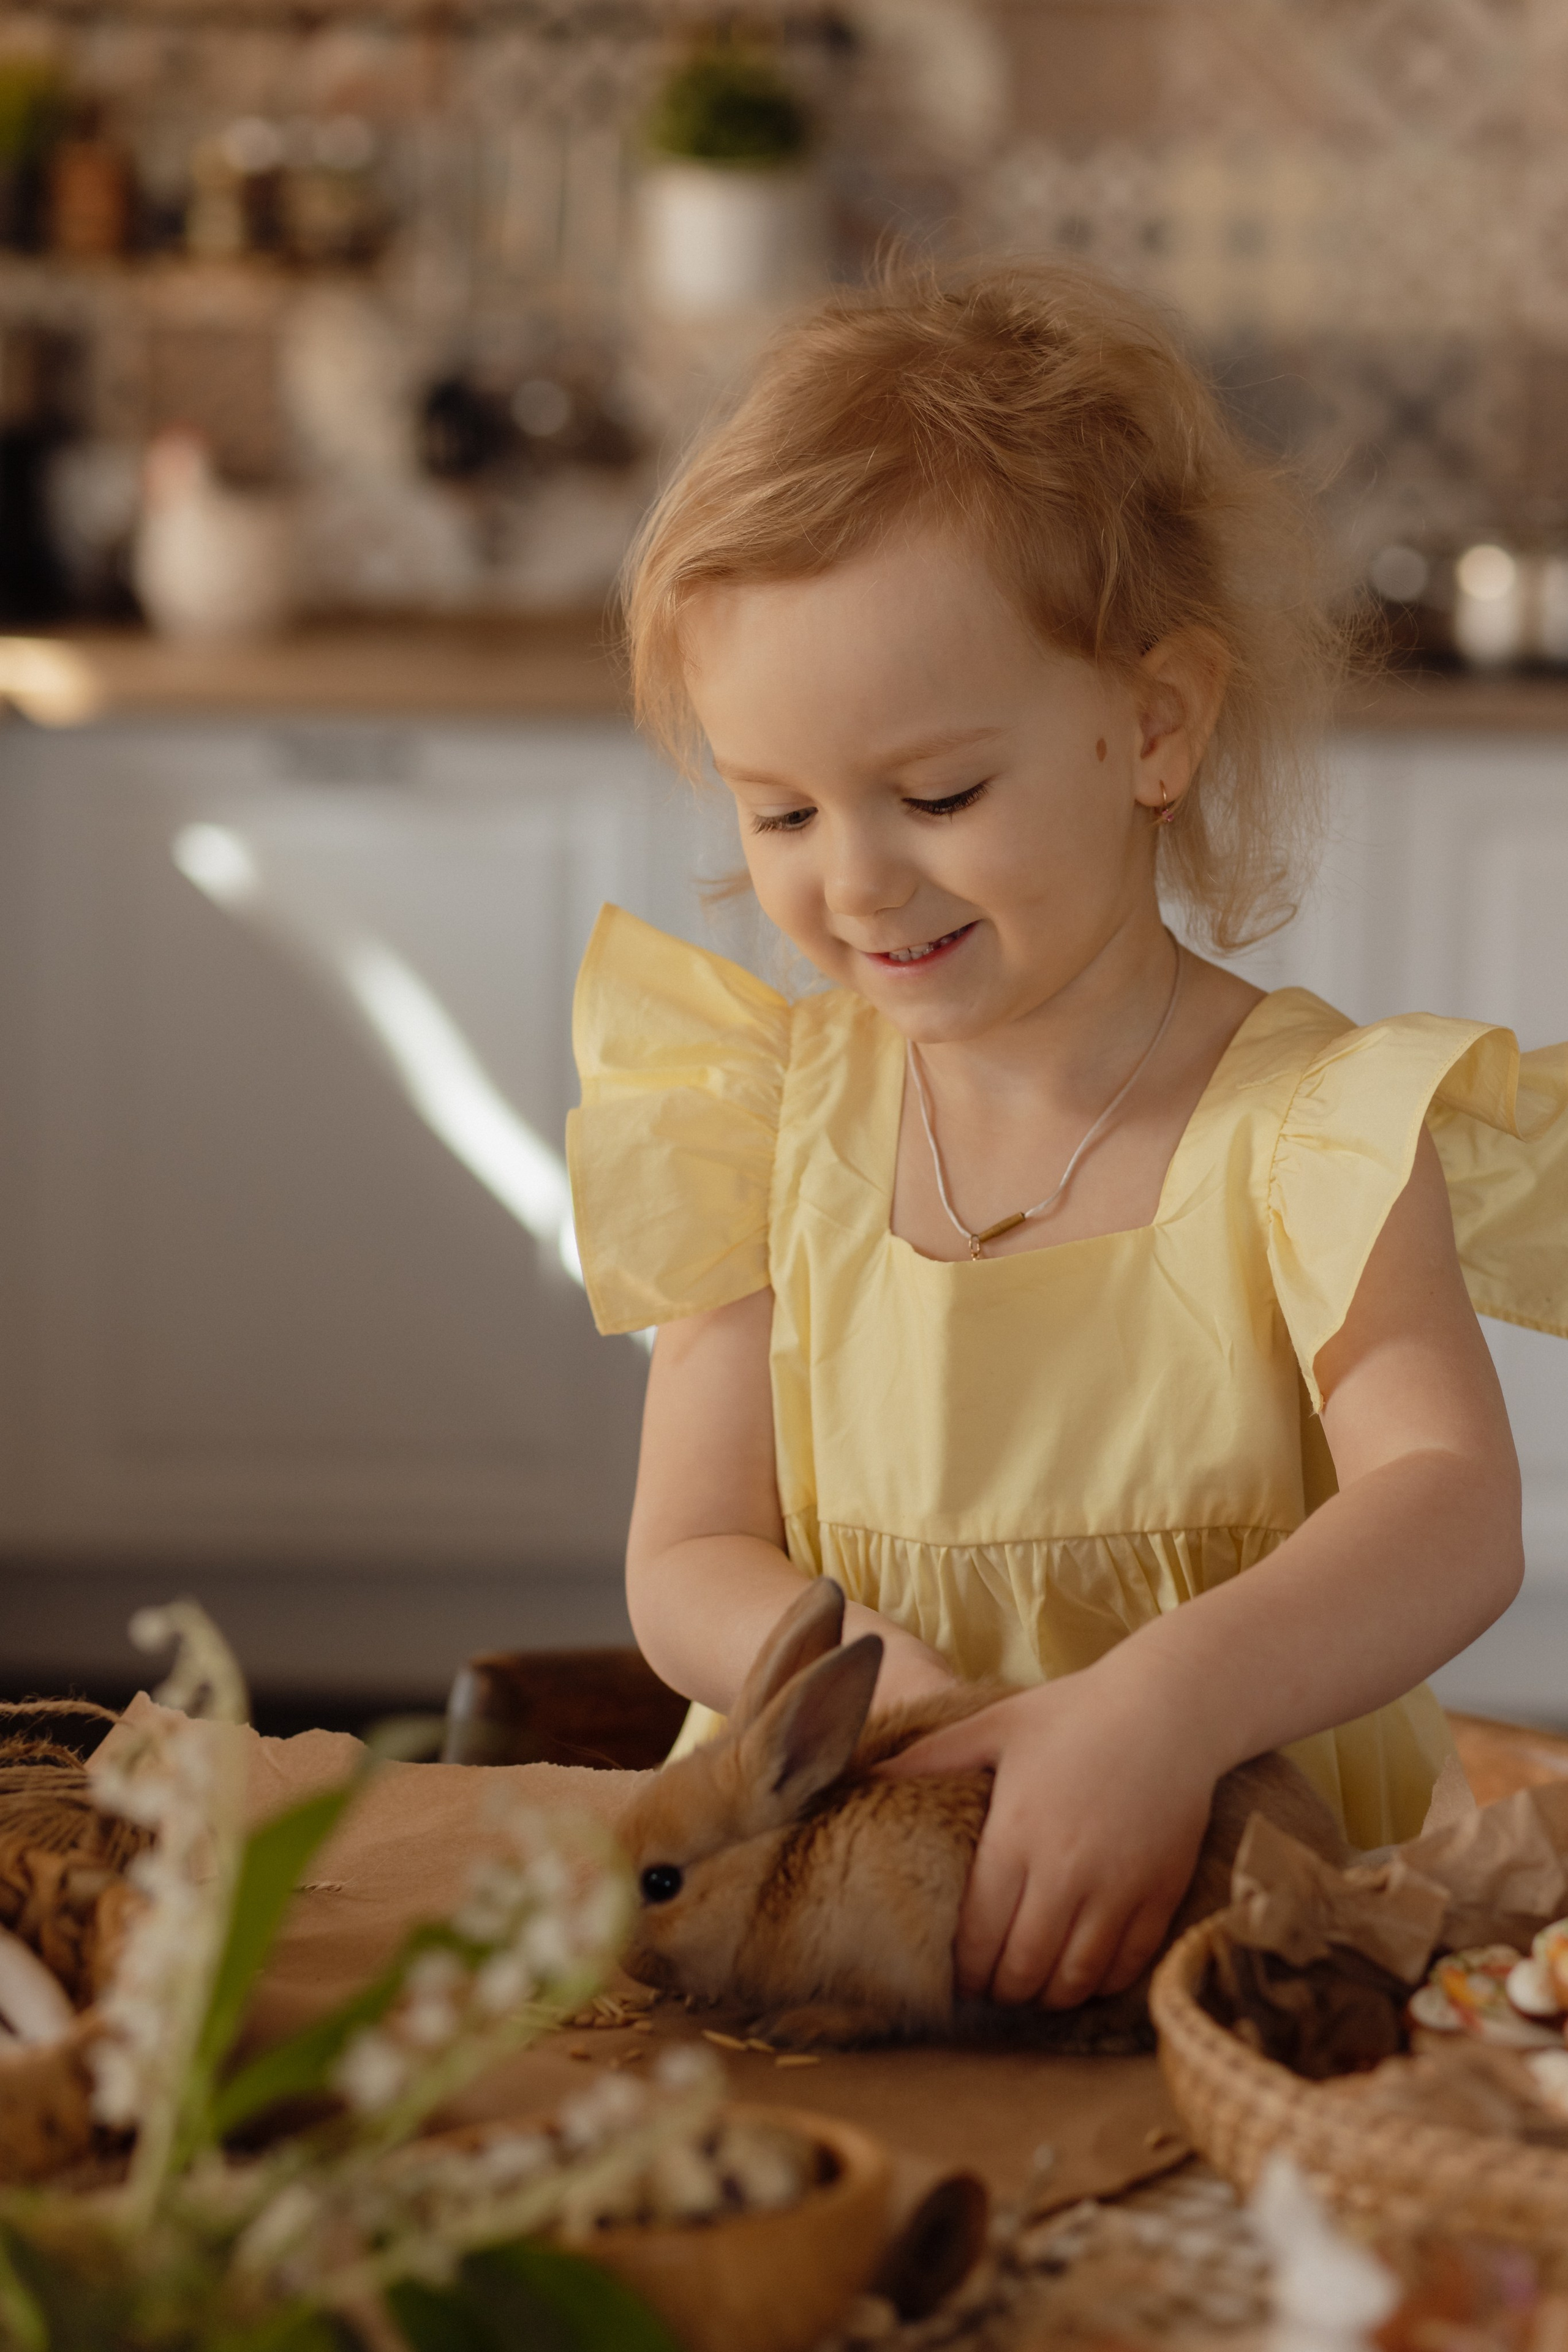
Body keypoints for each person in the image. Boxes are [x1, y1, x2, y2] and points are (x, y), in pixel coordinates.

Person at [566, 262, 1568, 2015]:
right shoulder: (756, 1114)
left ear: (1154, 728)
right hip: (835, 1945)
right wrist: (873, 1684)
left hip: (1251, 1950)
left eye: (938, 795)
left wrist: (1162, 1706)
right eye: (781, 809)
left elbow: (1452, 1510)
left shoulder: (1311, 1134)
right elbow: (684, 1557)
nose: (857, 879)